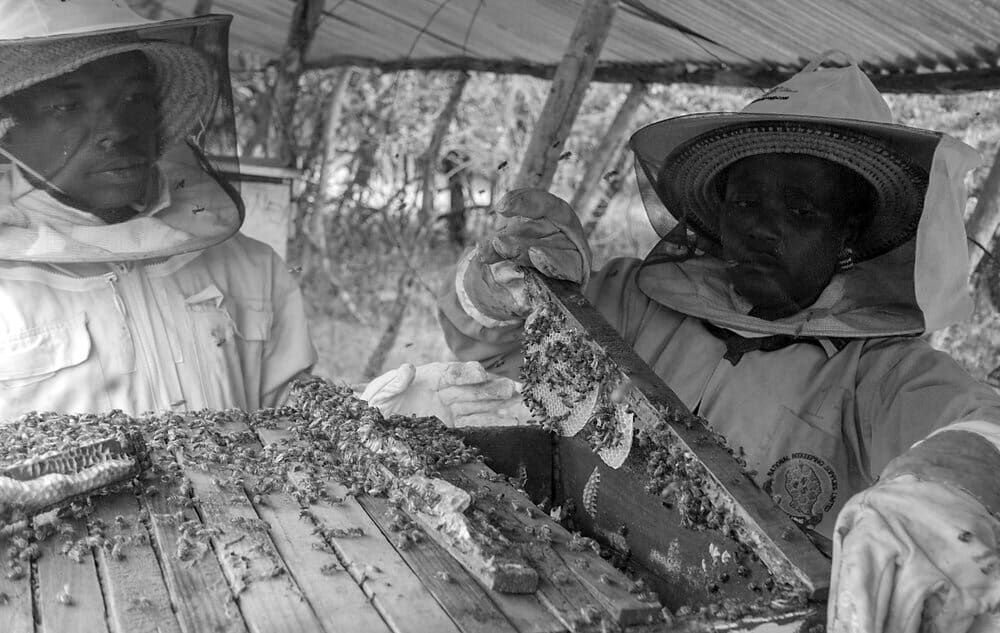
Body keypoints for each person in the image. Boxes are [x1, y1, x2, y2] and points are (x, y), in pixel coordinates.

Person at [370, 54, 1000, 631]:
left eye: (803, 211)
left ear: (849, 235)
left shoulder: (884, 373)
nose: (762, 228)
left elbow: (982, 425)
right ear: (717, 208)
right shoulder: (625, 299)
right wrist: (502, 279)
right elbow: (486, 341)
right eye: (746, 199)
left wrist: (944, 488)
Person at [0, 0, 316, 418]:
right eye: (66, 106)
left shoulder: (251, 265)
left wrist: (375, 418)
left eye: (134, 97)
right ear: (8, 127)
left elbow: (299, 426)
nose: (117, 129)